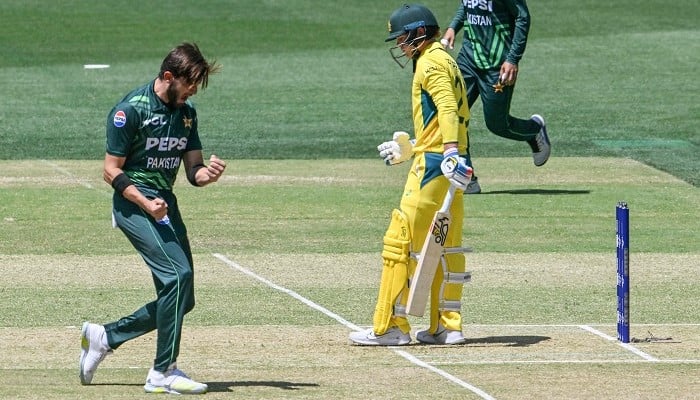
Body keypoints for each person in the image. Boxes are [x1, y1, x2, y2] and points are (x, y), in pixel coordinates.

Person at [79, 42, 224, 394]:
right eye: (189, 83)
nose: (192, 91)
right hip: (133, 205)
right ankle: (162, 372)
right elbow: (110, 171)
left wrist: (210, 173)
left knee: (182, 296)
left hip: (164, 205)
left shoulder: (186, 114)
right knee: (179, 275)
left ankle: (106, 336)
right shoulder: (130, 111)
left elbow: (193, 171)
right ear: (168, 76)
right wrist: (145, 202)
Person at [349, 3, 472, 346]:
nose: (400, 46)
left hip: (436, 166)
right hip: (450, 165)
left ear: (419, 33)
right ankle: (447, 326)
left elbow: (447, 107)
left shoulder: (430, 62)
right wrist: (417, 147)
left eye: (402, 38)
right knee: (446, 245)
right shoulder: (445, 57)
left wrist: (445, 151)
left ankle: (390, 326)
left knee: (400, 241)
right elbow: (451, 115)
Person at [441, 0, 550, 194]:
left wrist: (512, 58)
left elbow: (522, 17)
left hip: (497, 65)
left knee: (497, 125)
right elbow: (468, 4)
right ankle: (467, 179)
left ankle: (533, 131)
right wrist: (453, 26)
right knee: (452, 114)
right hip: (468, 58)